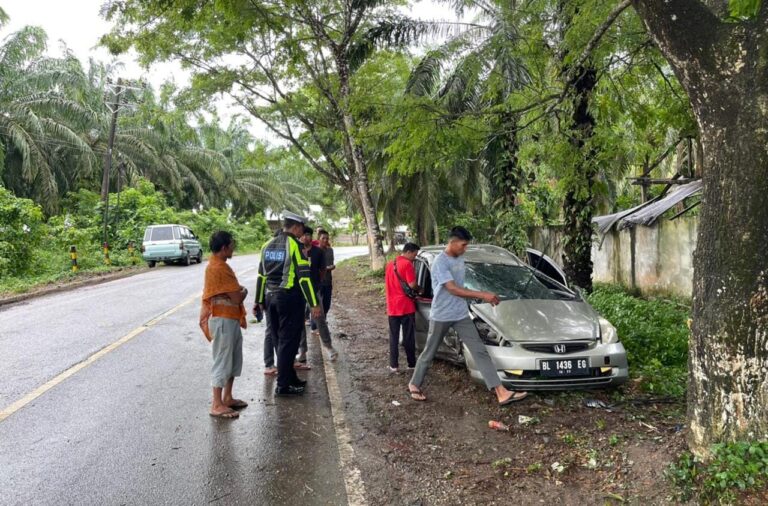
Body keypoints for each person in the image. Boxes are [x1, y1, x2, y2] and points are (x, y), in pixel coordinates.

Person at [407, 226, 528, 405]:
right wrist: (482, 295)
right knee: (429, 352)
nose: (465, 249)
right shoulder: (441, 262)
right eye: (463, 245)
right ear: (453, 242)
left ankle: (501, 392)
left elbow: (462, 285)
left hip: (460, 314)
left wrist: (482, 295)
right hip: (441, 315)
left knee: (479, 350)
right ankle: (414, 384)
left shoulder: (460, 258)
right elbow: (453, 288)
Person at [255, 211, 322, 397]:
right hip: (288, 298)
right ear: (296, 227)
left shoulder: (266, 245)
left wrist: (258, 300)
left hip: (270, 298)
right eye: (301, 228)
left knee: (279, 341)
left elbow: (261, 275)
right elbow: (304, 277)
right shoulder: (294, 245)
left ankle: (290, 378)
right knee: (288, 342)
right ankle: (283, 386)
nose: (302, 232)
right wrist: (314, 303)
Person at [199, 231, 249, 418]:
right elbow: (236, 297)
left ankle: (227, 397)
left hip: (230, 319)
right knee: (222, 360)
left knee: (233, 359)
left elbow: (233, 293)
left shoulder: (220, 266)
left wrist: (238, 292)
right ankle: (216, 404)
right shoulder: (218, 268)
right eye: (231, 244)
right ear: (223, 248)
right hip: (222, 320)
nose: (233, 247)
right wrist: (243, 292)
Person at [384, 242, 420, 373]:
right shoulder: (407, 264)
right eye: (415, 255)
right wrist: (419, 289)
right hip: (406, 307)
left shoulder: (390, 264)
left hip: (392, 307)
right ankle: (411, 364)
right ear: (409, 252)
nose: (415, 258)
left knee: (393, 337)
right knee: (408, 337)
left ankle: (394, 366)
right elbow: (412, 284)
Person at [297, 226, 326, 366]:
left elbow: (322, 270)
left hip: (314, 289)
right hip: (298, 292)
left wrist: (318, 283)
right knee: (300, 322)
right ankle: (302, 351)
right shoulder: (295, 250)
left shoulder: (318, 252)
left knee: (320, 318)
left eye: (308, 235)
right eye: (303, 235)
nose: (305, 237)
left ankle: (329, 346)